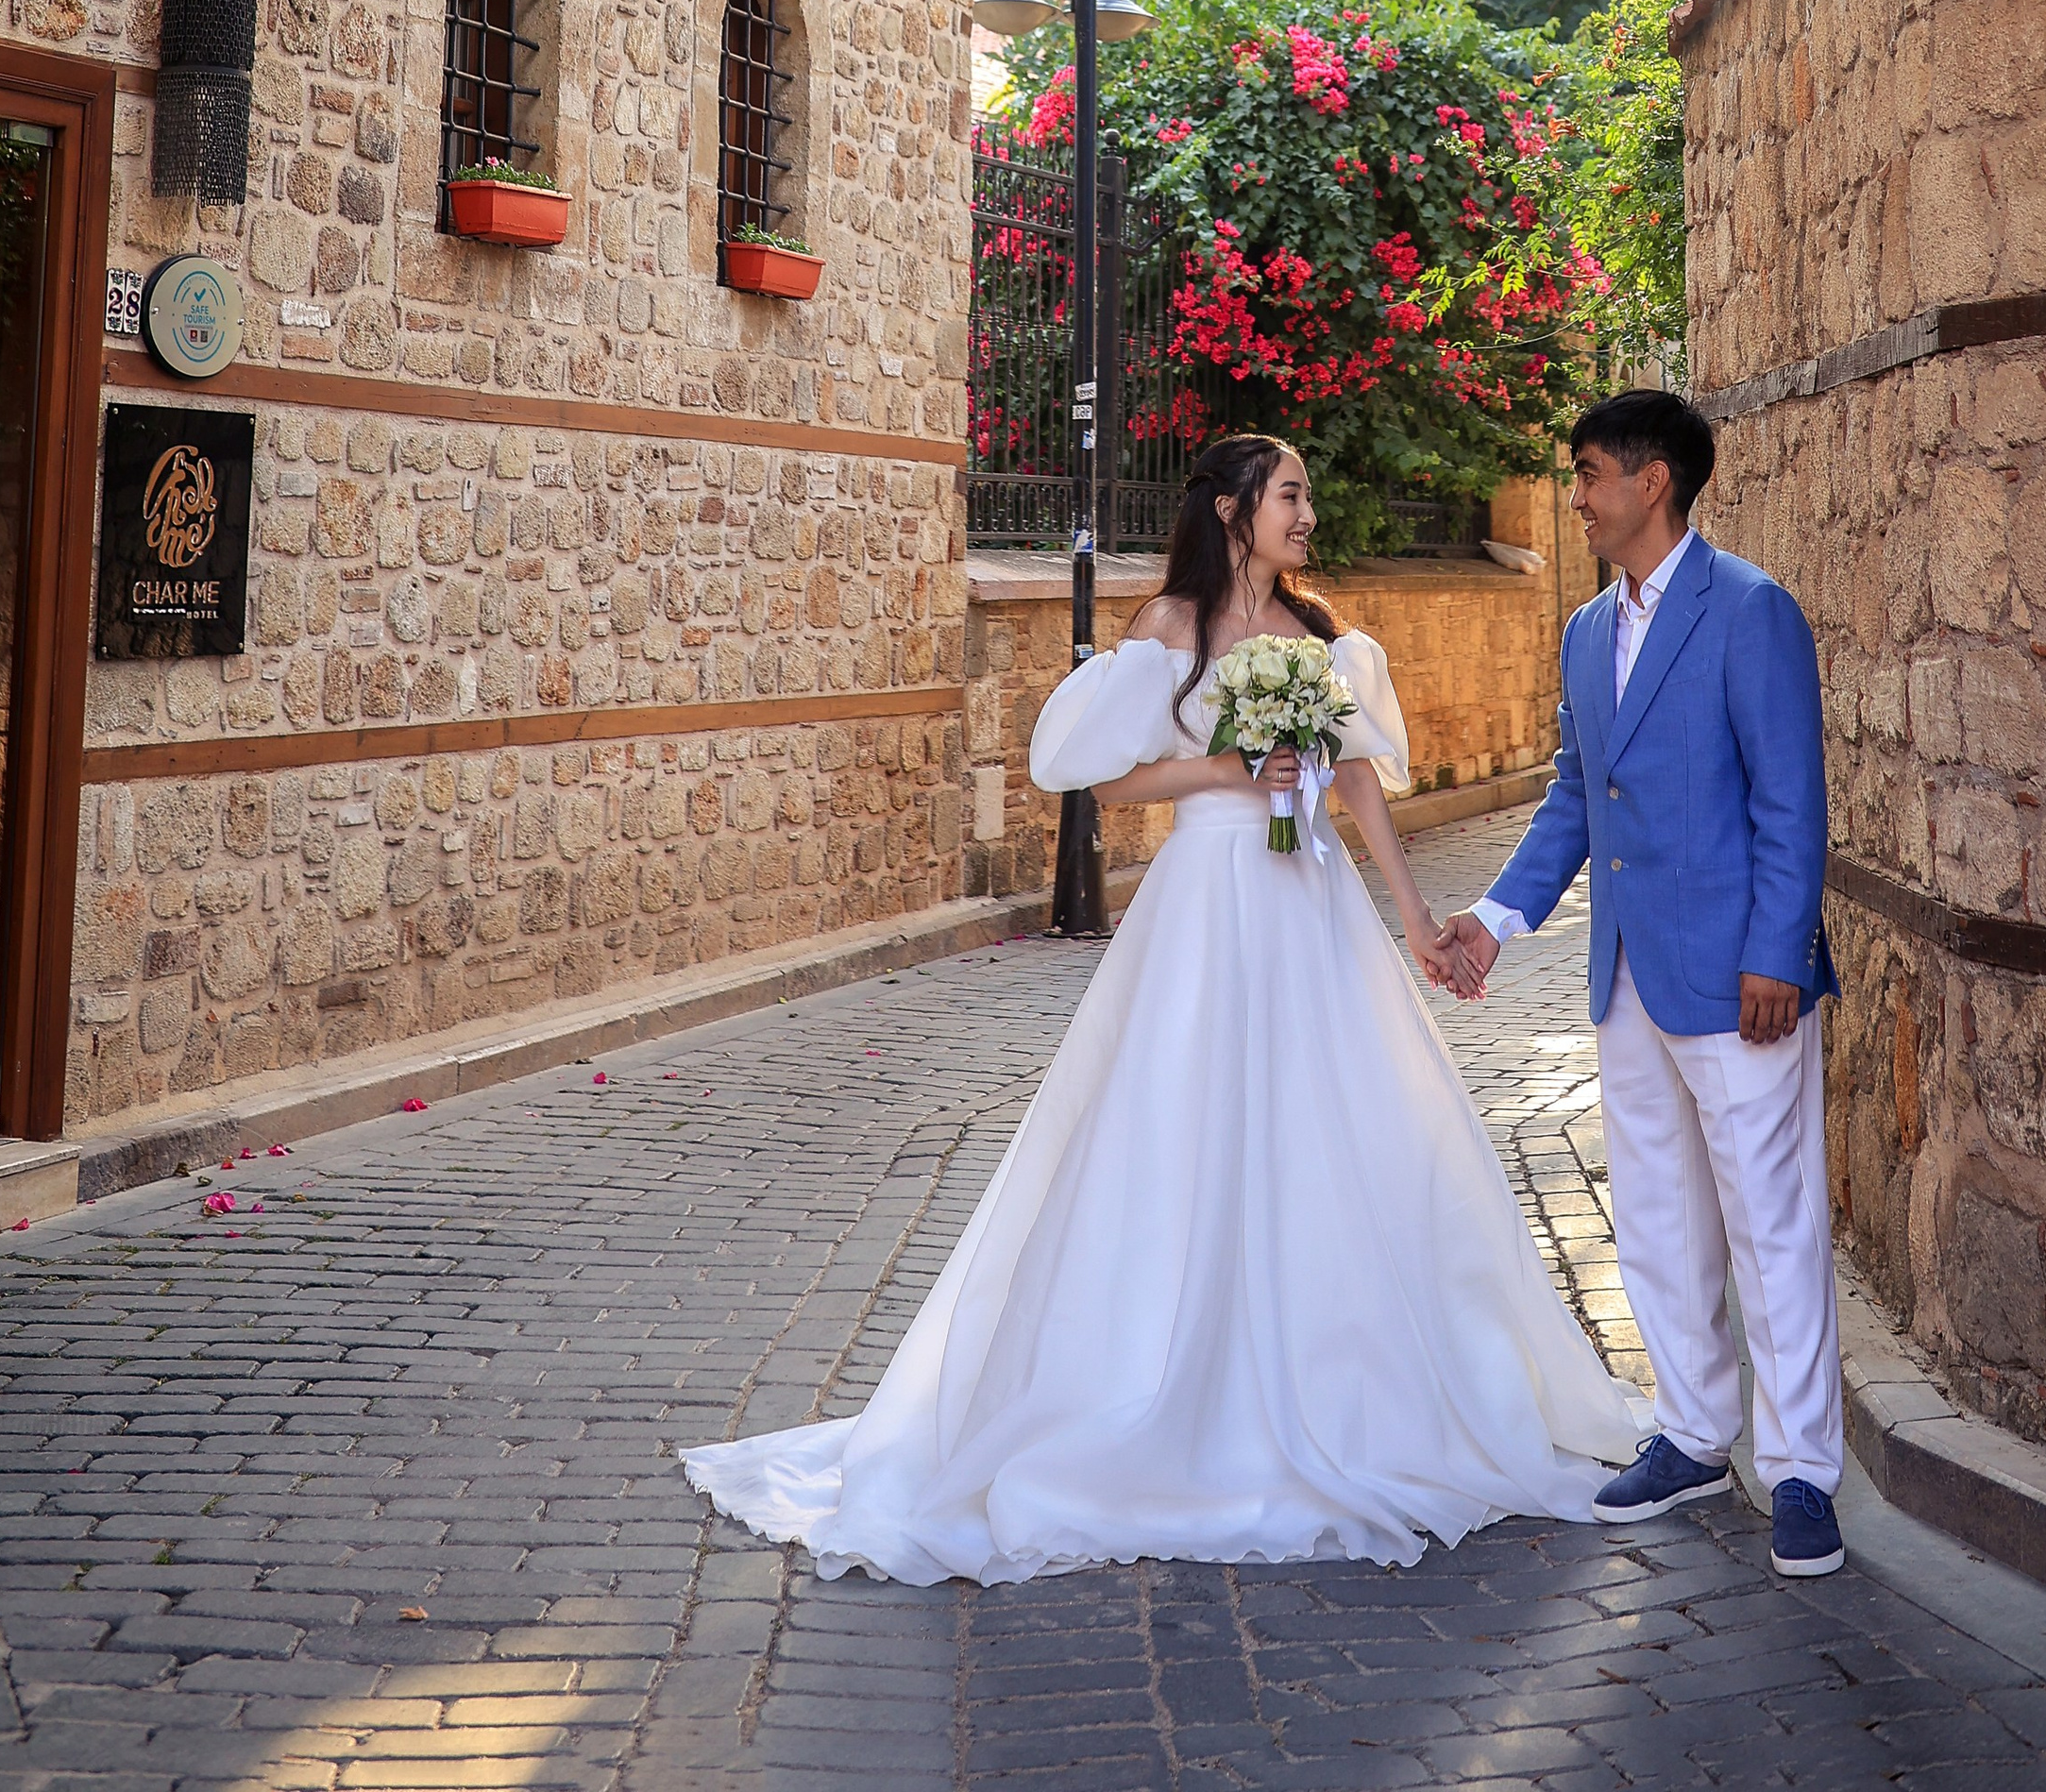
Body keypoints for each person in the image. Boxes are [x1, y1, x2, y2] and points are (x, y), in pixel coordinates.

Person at [683, 430, 1646, 1581]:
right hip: (1207, 899)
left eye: (1306, 496)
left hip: (1313, 908)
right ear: (1234, 510)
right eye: (1290, 495)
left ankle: (1362, 1381)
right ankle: (1157, 1383)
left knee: (1341, 1123)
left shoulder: (1321, 637)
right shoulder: (1168, 631)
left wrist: (1413, 917)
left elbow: (1351, 784)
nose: (1307, 516)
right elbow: (1104, 778)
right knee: (1184, 1123)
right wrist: (1227, 771)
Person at [1431, 388, 1846, 1582]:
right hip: (1624, 975)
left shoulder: (1751, 610)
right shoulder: (1583, 631)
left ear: (1651, 481)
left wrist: (1775, 953)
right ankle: (1694, 1434)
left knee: (1770, 1222)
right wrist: (1495, 923)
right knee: (1658, 1216)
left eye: (1589, 474)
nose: (1575, 496)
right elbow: (1576, 795)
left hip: (1739, 977)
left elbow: (1790, 801)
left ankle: (1802, 1469)